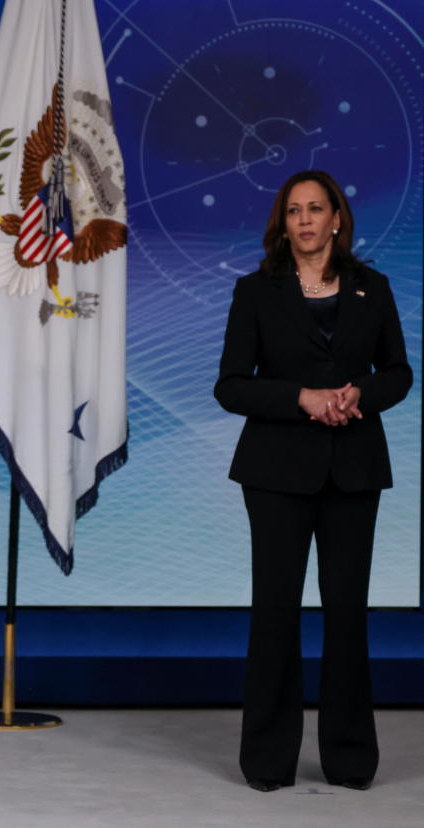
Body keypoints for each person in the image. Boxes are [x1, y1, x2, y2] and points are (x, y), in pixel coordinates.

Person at [214, 170, 411, 792]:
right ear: (284, 223)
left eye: (315, 209)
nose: (304, 220)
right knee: (275, 612)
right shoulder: (255, 291)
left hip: (353, 469)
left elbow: (400, 373)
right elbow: (231, 385)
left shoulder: (372, 289)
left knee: (348, 614)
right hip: (274, 473)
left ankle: (350, 759)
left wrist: (361, 393)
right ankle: (268, 761)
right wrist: (300, 396)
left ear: (336, 221)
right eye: (293, 210)